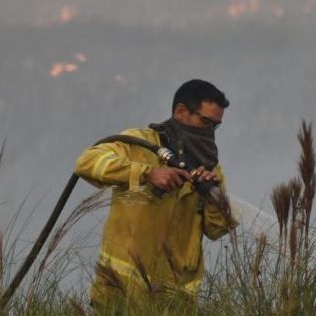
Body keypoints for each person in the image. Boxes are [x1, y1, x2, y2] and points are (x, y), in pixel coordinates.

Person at [74, 79, 236, 304]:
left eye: (215, 126)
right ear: (181, 111)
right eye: (206, 121)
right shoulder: (139, 144)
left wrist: (213, 198)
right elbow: (86, 162)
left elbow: (217, 230)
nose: (209, 131)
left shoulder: (210, 168)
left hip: (175, 301)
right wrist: (147, 173)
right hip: (121, 292)